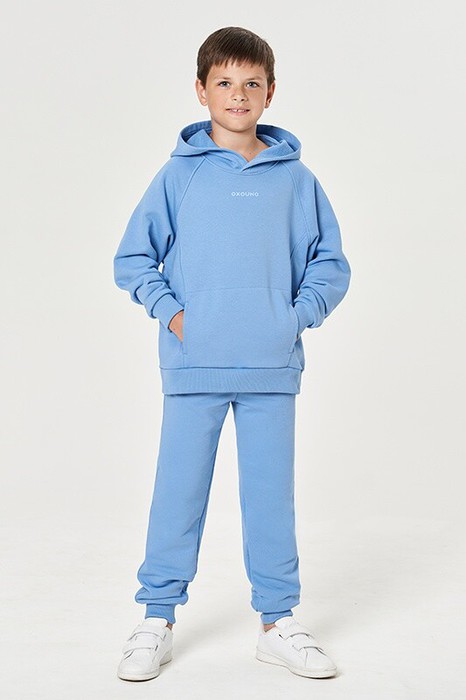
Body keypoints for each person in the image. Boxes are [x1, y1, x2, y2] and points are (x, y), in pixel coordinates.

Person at [113, 25, 351, 682]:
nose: (238, 95)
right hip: (194, 365)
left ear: (270, 92)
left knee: (270, 499)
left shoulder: (296, 181)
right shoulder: (179, 176)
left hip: (272, 367)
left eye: (251, 83)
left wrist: (291, 319)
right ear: (201, 90)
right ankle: (156, 618)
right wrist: (176, 316)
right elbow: (133, 258)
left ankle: (278, 623)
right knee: (178, 495)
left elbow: (330, 264)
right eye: (224, 82)